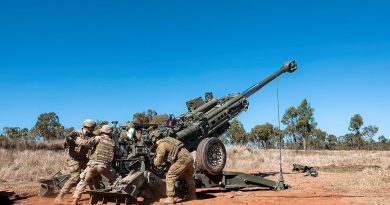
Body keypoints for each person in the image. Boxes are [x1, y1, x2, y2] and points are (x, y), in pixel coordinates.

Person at [71, 125, 122, 205]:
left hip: (92, 165)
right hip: (105, 167)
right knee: (117, 181)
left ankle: (75, 201)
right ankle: (119, 200)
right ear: (110, 133)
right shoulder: (113, 142)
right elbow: (120, 153)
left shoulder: (98, 138)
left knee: (83, 182)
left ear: (102, 131)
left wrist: (77, 138)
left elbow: (87, 143)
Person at [54, 119, 97, 205]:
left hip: (84, 158)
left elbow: (92, 143)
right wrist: (68, 140)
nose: (93, 130)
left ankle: (95, 195)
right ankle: (59, 197)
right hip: (74, 158)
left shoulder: (91, 135)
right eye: (92, 128)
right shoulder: (75, 133)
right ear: (88, 127)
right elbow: (65, 144)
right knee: (75, 178)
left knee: (92, 174)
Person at [153, 136, 197, 204]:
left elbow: (158, 162)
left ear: (155, 142)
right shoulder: (169, 140)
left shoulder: (161, 145)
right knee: (189, 177)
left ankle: (170, 198)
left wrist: (154, 161)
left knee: (170, 175)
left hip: (182, 159)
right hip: (189, 157)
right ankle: (193, 195)